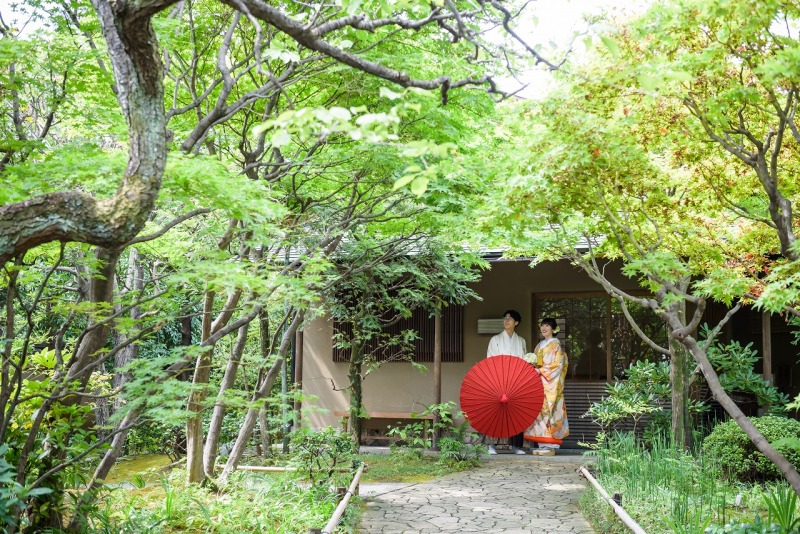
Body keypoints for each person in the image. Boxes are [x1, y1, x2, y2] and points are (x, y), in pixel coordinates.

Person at [524, 317, 569, 456]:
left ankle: (551, 444)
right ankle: (542, 442)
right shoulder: (539, 345)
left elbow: (558, 364)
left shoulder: (556, 345)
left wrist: (541, 371)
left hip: (550, 383)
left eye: (547, 326)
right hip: (539, 382)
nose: (544, 328)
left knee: (550, 410)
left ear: (553, 329)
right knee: (539, 411)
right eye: (542, 325)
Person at [484, 309, 527, 455]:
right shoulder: (495, 340)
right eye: (505, 318)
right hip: (498, 380)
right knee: (495, 412)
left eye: (510, 319)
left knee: (516, 413)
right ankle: (491, 444)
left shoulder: (521, 341)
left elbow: (523, 363)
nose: (506, 321)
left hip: (515, 382)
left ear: (516, 323)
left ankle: (516, 446)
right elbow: (491, 360)